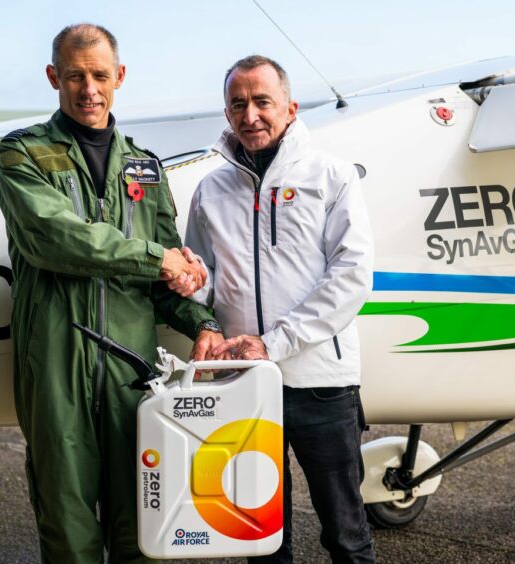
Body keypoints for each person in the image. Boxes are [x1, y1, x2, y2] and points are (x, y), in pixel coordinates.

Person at [0, 23, 224, 563]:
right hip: (55, 368)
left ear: (119, 77)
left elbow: (165, 275)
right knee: (68, 527)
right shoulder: (23, 153)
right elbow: (55, 239)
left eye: (100, 75)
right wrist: (155, 257)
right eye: (75, 76)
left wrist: (202, 322)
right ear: (54, 77)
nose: (89, 89)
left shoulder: (143, 164)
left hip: (132, 374)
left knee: (144, 525)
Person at [185, 55, 376, 563]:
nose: (250, 116)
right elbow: (203, 282)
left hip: (321, 383)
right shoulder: (210, 190)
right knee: (263, 537)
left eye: (262, 102)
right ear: (226, 113)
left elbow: (352, 275)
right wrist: (192, 289)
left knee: (346, 533)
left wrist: (275, 343)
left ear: (289, 108)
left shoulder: (331, 176)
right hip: (244, 381)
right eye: (238, 104)